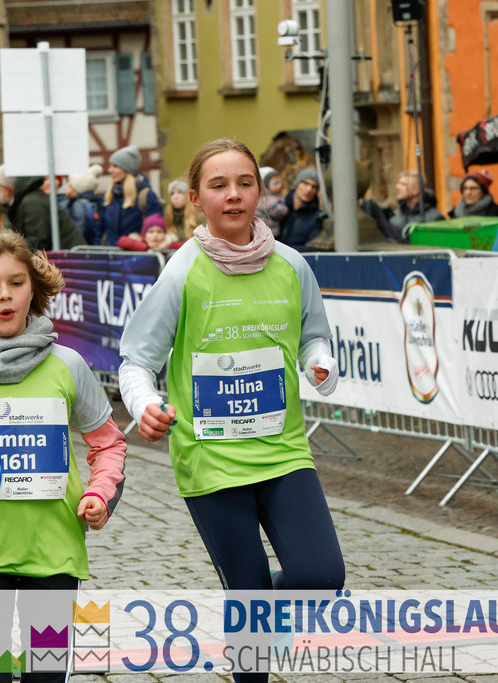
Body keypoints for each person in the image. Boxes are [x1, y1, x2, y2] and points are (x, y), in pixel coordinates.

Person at [118, 138, 344, 683]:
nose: (234, 195)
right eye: (218, 185)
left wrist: (322, 366)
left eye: (244, 183)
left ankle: (255, 615)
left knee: (320, 575)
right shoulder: (181, 273)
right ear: (196, 198)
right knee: (248, 605)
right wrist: (146, 405)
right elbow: (135, 362)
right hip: (211, 459)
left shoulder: (292, 266)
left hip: (283, 451)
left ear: (261, 191)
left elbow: (316, 339)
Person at [0, 226, 127, 683]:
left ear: (34, 287)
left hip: (55, 555)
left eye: (16, 283)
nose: (5, 296)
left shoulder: (67, 364)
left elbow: (108, 443)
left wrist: (101, 495)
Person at [101, 145, 162, 246]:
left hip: (136, 257)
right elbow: (100, 228)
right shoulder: (109, 195)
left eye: (115, 166)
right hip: (111, 255)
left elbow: (155, 230)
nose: (109, 170)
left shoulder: (147, 196)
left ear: (127, 169)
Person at [360, 170, 444, 242]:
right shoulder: (394, 216)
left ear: (416, 190)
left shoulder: (435, 218)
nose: (397, 187)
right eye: (398, 183)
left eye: (403, 184)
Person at [8, 175, 88, 251]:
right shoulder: (35, 198)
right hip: (69, 255)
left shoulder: (33, 202)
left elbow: (38, 241)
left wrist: (12, 247)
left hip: (69, 258)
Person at [277, 167, 325, 252]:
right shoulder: (279, 207)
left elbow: (311, 247)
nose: (309, 189)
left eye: (314, 187)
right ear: (297, 184)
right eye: (306, 183)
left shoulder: (318, 217)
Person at [66, 166, 105, 245]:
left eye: (70, 185)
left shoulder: (78, 205)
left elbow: (79, 232)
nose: (67, 187)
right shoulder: (96, 201)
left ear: (75, 189)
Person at [163, 177, 203, 242]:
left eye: (180, 192)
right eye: (172, 193)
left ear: (188, 196)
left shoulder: (199, 215)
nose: (175, 197)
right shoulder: (167, 215)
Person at [256, 167, 288, 236]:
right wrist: (282, 200)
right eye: (275, 183)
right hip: (270, 233)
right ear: (266, 185)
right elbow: (281, 211)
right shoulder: (269, 200)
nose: (279, 186)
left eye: (280, 182)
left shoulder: (261, 198)